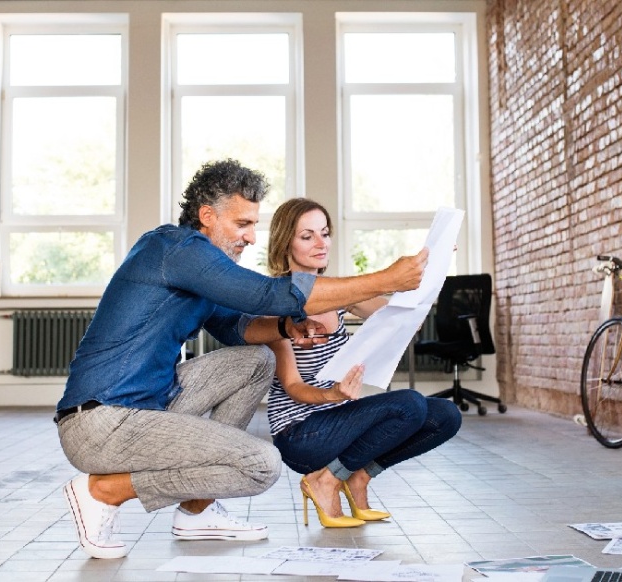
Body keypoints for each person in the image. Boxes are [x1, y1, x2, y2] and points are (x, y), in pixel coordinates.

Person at [56, 159, 429, 559]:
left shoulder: (200, 271)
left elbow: (240, 328)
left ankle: (196, 511)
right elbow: (265, 296)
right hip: (100, 422)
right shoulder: (176, 249)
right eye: (242, 224)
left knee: (255, 361)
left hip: (148, 408)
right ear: (207, 216)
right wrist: (385, 280)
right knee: (260, 464)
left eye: (254, 225)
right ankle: (103, 491)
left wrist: (288, 329)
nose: (252, 238)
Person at [264, 198, 462, 528]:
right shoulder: (274, 302)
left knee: (446, 415)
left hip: (338, 420)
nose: (321, 243)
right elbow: (293, 386)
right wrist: (335, 394)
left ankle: (358, 476)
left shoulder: (341, 293)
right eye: (307, 236)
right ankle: (324, 481)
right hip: (301, 435)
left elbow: (405, 316)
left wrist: (434, 267)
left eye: (325, 233)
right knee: (409, 404)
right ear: (286, 241)